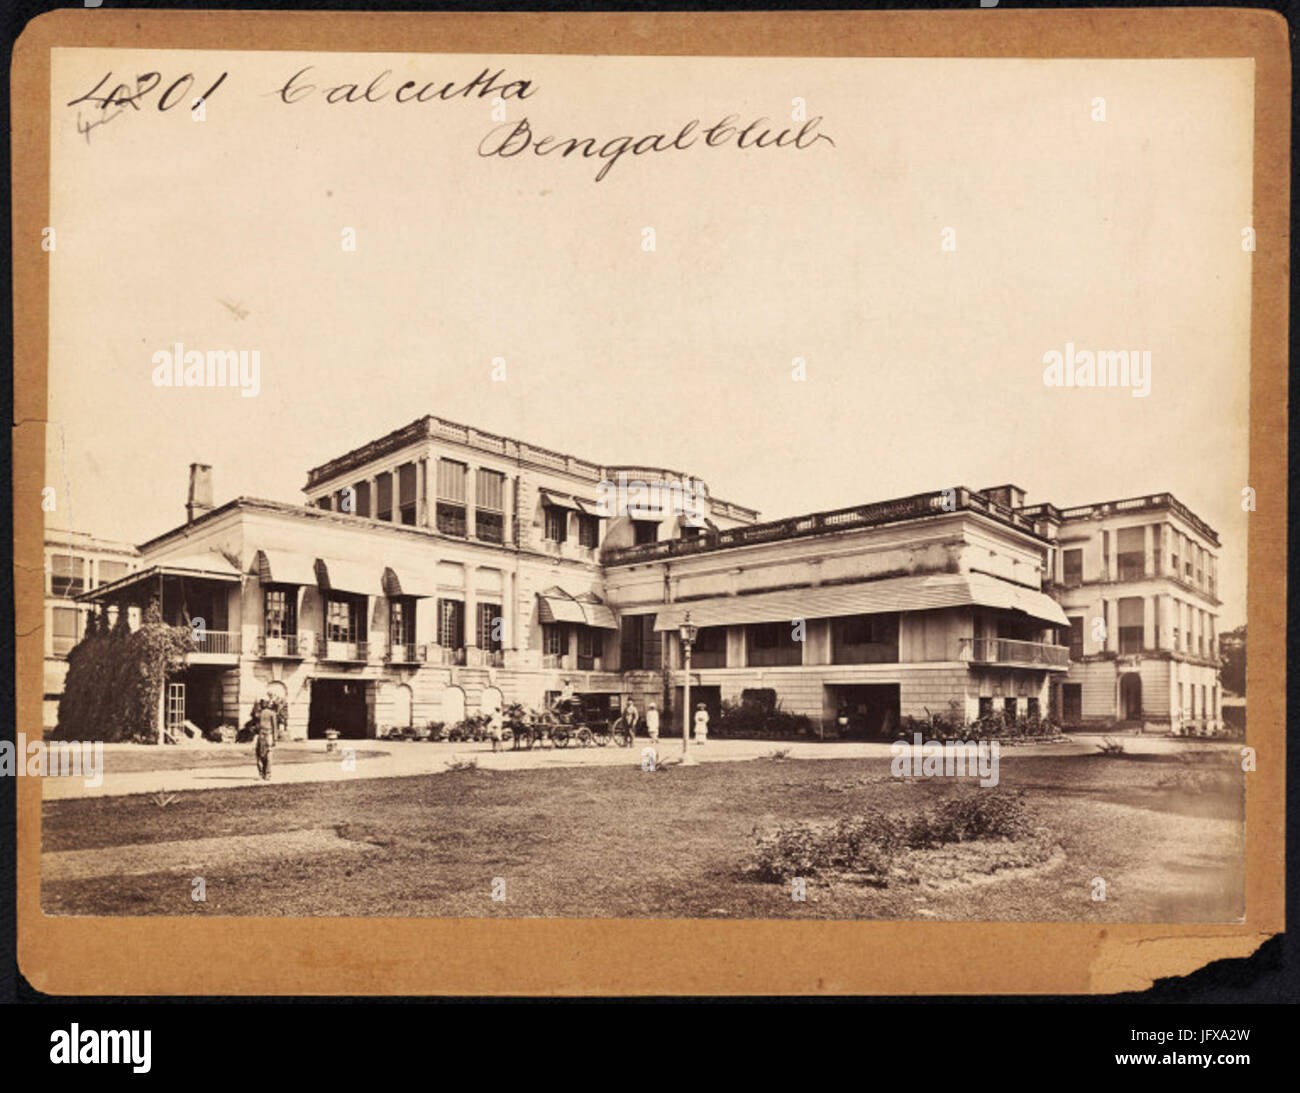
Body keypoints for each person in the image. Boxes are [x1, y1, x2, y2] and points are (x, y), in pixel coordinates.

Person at [255, 702, 277, 780]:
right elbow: (274, 727)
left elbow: (256, 726)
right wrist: (275, 738)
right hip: (269, 735)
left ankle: (261, 774)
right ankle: (267, 774)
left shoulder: (259, 714)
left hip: (261, 735)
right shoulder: (272, 713)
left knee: (260, 754)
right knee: (268, 754)